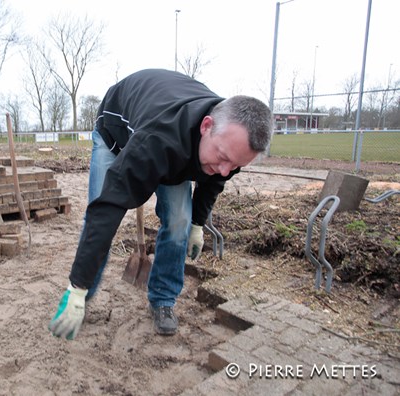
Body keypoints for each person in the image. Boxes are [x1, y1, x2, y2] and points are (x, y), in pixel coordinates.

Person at [48, 69, 273, 340]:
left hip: (170, 137)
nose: (225, 170)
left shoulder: (230, 143)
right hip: (114, 131)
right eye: (223, 157)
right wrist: (78, 285)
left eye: (235, 166)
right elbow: (106, 210)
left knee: (180, 220)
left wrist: (197, 223)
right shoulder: (158, 140)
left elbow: (213, 181)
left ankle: (163, 299)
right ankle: (81, 297)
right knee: (99, 211)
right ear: (206, 126)